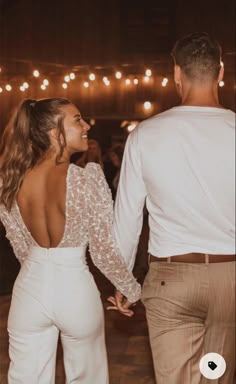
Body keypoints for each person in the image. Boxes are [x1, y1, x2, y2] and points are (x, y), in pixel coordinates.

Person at [110, 32, 235, 383]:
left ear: (176, 73)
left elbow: (128, 217)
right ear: (220, 71)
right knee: (217, 377)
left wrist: (121, 279)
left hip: (172, 283)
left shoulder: (145, 135)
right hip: (230, 281)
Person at [0, 97, 141, 384]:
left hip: (28, 291)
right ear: (55, 132)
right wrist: (131, 289)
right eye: (77, 119)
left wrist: (40, 269)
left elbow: (20, 248)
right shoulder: (87, 178)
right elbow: (102, 251)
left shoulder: (11, 181)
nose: (87, 125)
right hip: (75, 291)